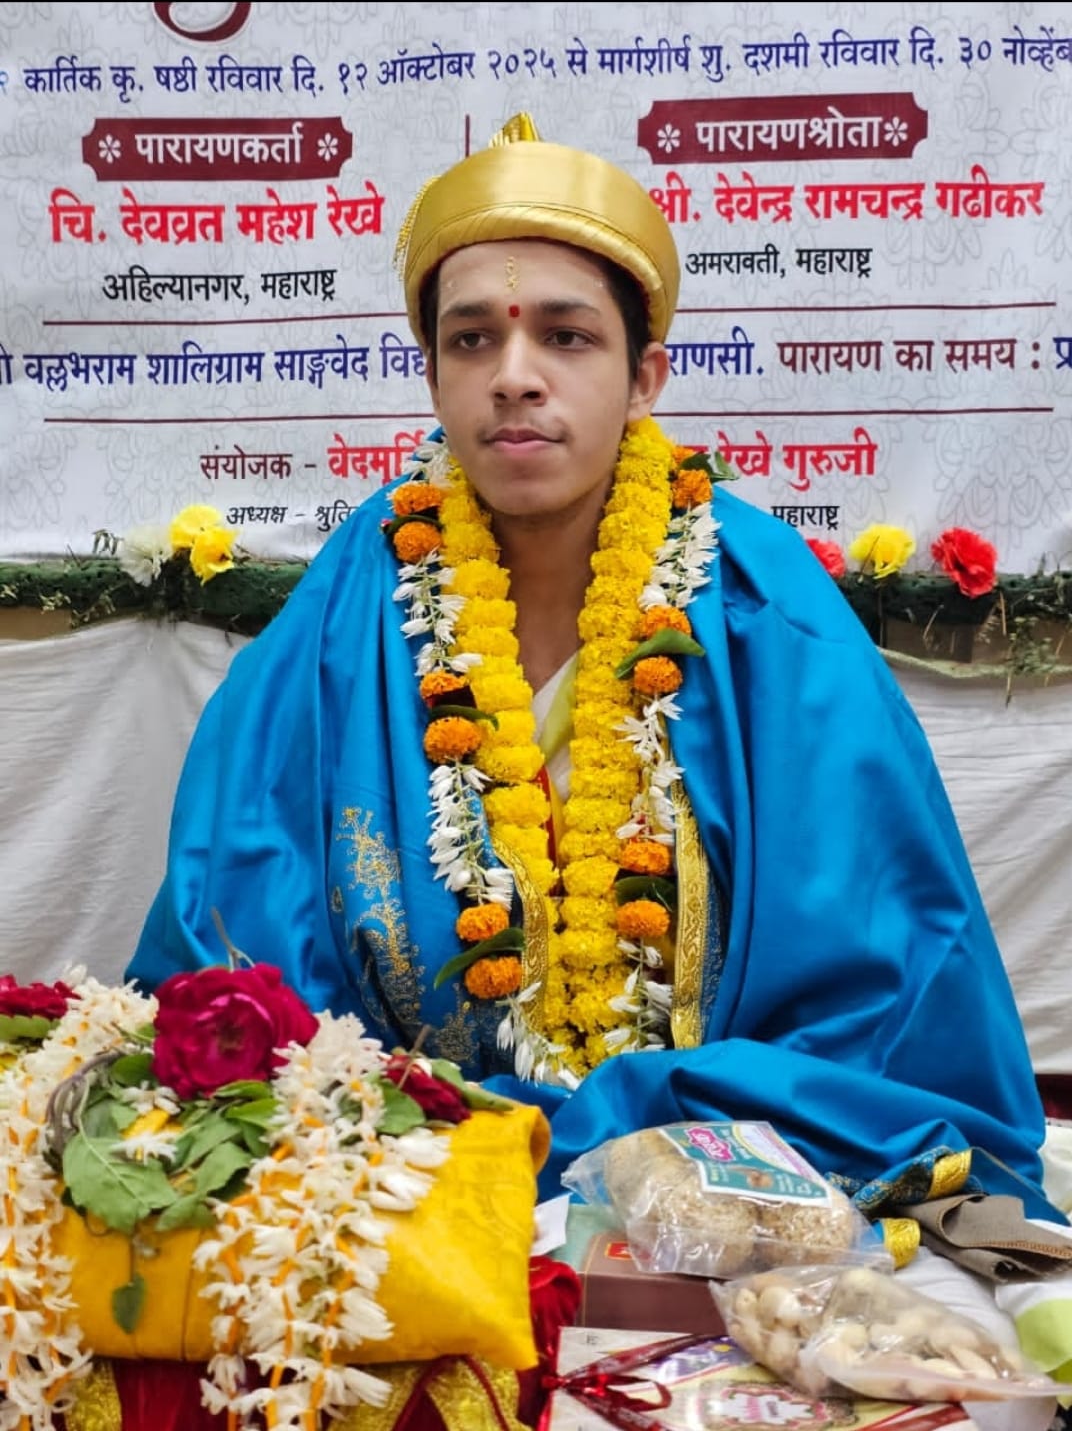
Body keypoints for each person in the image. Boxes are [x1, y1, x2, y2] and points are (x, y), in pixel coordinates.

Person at [127, 114, 1069, 1425]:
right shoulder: (343, 616)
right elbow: (238, 923)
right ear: (434, 374)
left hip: (739, 1195)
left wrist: (640, 1117)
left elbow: (888, 974)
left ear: (643, 377)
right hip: (423, 1179)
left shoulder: (765, 609)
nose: (515, 377)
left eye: (565, 337)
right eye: (473, 341)